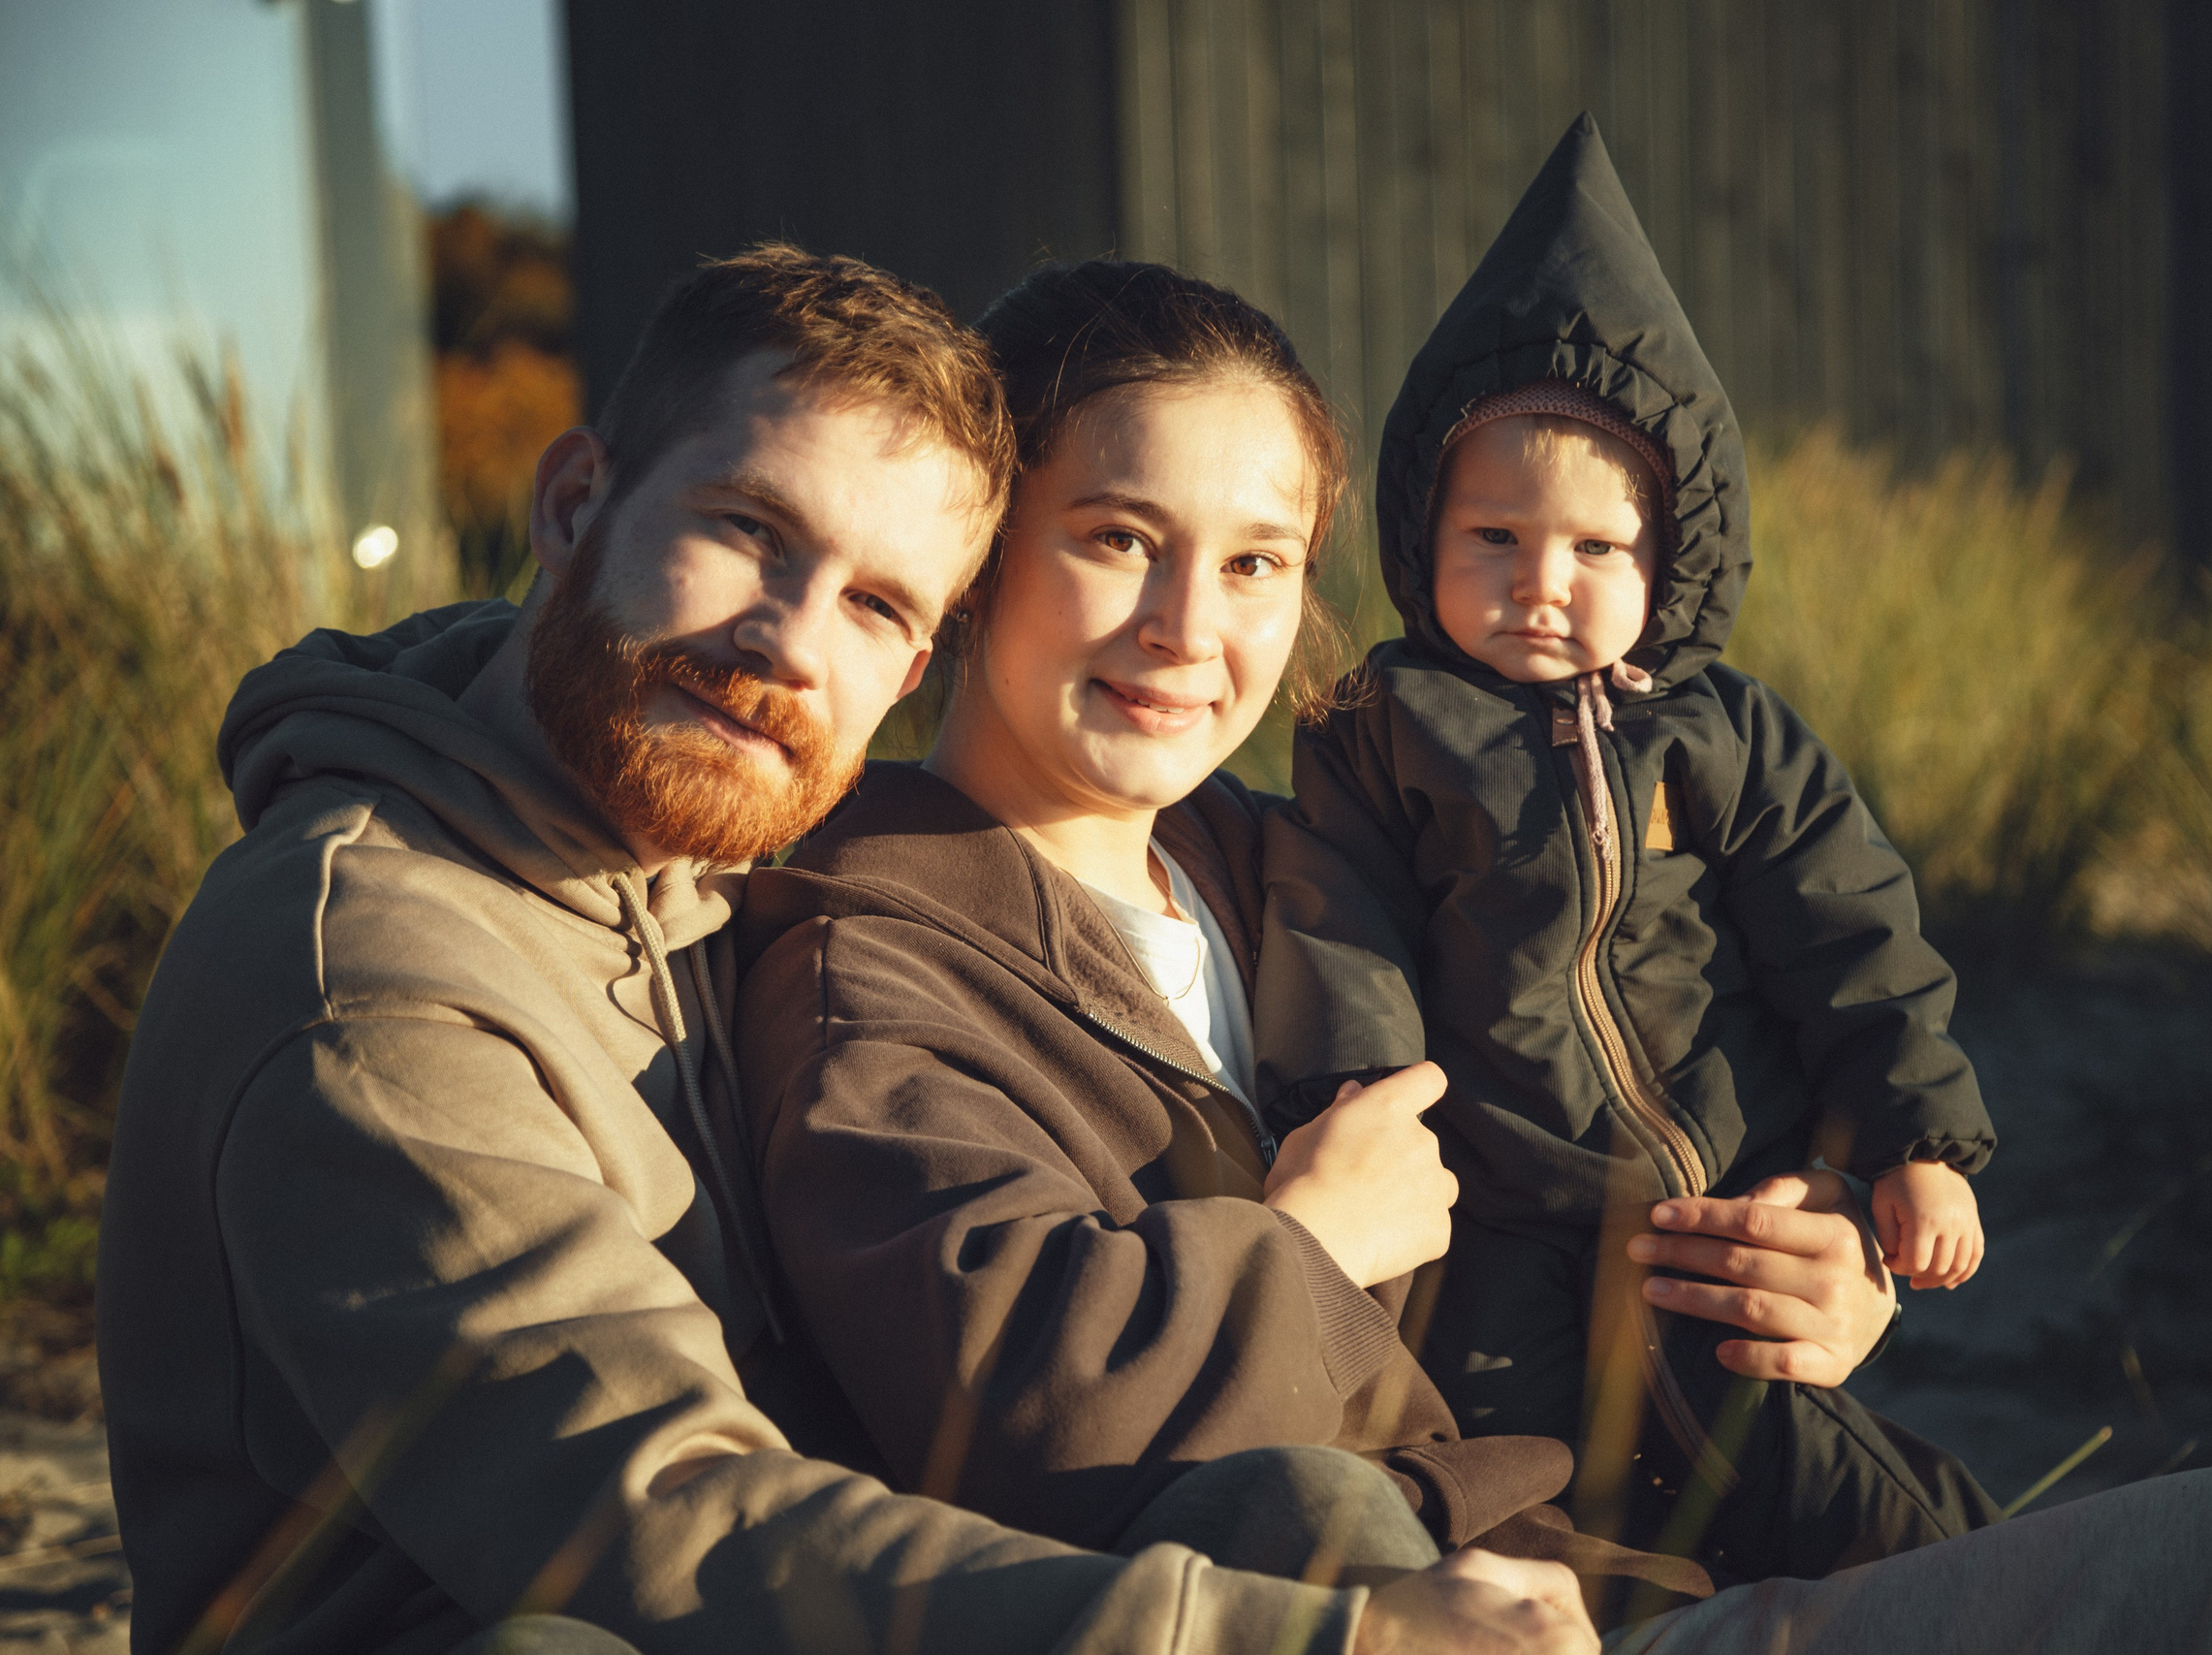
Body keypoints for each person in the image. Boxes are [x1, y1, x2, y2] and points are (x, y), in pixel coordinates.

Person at [94, 244, 1594, 1655]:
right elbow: (648, 1521)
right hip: (569, 1611)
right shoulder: (363, 979)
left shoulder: (677, 855)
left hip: (796, 1585)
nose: (791, 644)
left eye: (876, 603)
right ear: (571, 507)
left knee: (1297, 1511)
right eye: (749, 532)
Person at [732, 259, 1712, 1620]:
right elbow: (1015, 1414)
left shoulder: (1298, 865)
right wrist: (1301, 1248)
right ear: (977, 555)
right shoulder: (865, 965)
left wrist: (1823, 1244)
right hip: (1378, 1603)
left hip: (1622, 1549)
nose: (1189, 629)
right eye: (1120, 537)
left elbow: (1600, 1094)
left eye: (1255, 563)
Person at [1254, 114, 1997, 1580]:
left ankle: (2013, 1587)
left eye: (1597, 550)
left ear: (1671, 560)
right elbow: (1339, 917)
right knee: (1513, 1471)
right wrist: (1358, 1094)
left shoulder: (1726, 734)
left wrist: (1918, 1145)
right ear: (1423, 536)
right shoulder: (1381, 724)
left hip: (1734, 1201)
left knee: (1820, 1483)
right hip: (1509, 1210)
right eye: (1495, 540)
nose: (1543, 584)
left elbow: (1855, 935)